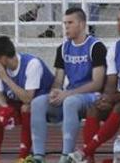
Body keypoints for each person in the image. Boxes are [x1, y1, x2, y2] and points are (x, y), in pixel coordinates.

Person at [67, 5, 120, 163]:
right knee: (94, 109)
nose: (119, 23)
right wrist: (106, 98)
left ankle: (86, 151)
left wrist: (114, 98)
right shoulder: (114, 48)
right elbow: (111, 82)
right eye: (118, 20)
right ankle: (89, 158)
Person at [30, 8, 106, 159]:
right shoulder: (63, 48)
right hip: (70, 94)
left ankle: (66, 155)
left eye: (70, 23)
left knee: (70, 102)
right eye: (65, 23)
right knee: (37, 102)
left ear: (82, 24)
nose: (66, 27)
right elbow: (58, 80)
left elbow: (97, 83)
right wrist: (55, 92)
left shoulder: (95, 46)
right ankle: (38, 156)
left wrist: (68, 93)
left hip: (91, 95)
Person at [0, 36, 55, 163]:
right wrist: (5, 109)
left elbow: (28, 98)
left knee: (26, 107)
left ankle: (23, 157)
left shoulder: (32, 64)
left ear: (3, 57)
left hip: (44, 103)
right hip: (19, 102)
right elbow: (0, 95)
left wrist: (6, 78)